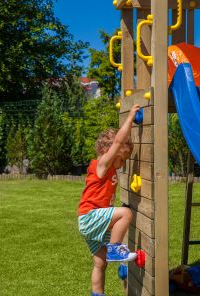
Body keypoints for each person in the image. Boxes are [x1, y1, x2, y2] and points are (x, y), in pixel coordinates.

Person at [78, 104, 140, 296]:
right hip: (89, 217)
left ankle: (97, 294)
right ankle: (115, 251)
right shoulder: (102, 164)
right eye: (122, 159)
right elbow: (118, 142)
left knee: (99, 262)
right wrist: (130, 117)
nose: (122, 164)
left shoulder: (109, 169)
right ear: (111, 152)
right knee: (126, 214)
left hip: (92, 221)